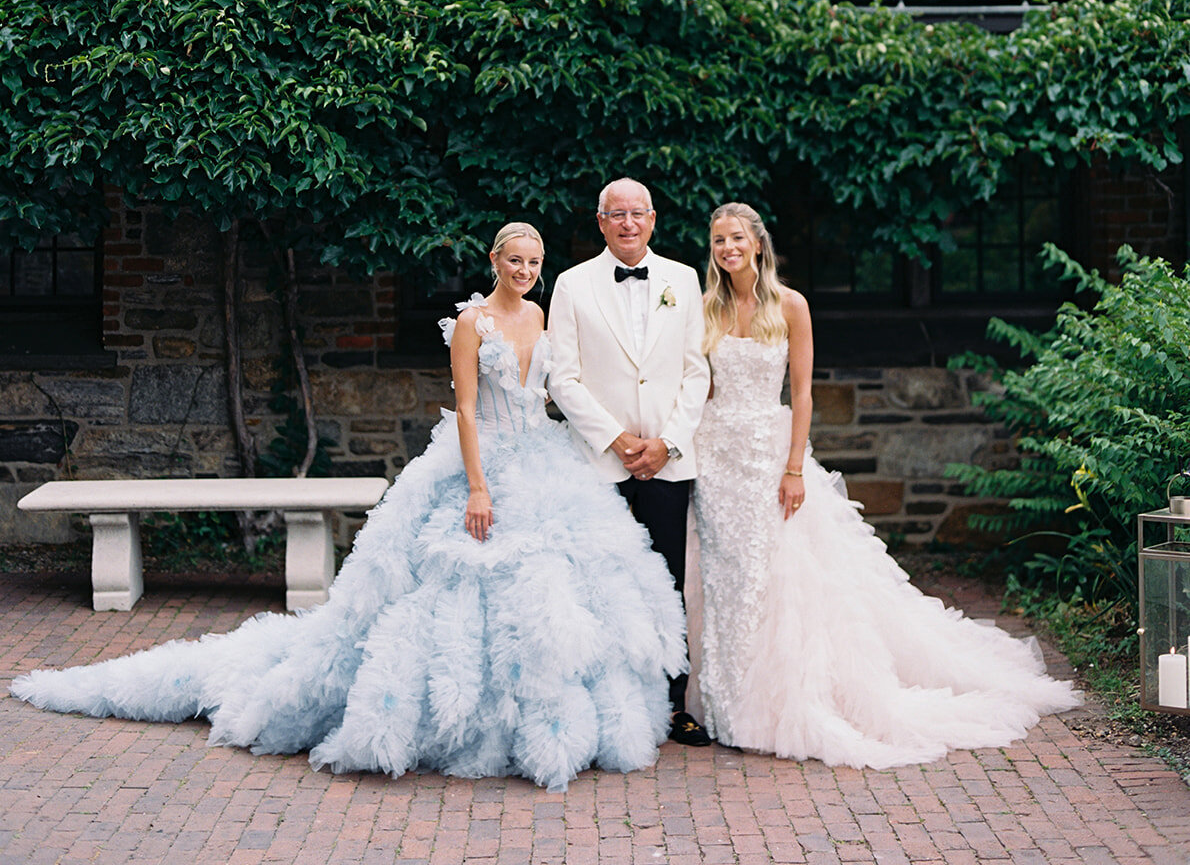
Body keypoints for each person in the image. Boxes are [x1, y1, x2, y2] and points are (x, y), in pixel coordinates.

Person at [11, 223, 686, 793]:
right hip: (486, 465)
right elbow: (469, 413)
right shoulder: (471, 325)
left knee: (562, 594)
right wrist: (478, 488)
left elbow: (552, 393)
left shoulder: (540, 316)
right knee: (448, 590)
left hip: (543, 466)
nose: (526, 272)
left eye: (535, 263)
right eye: (515, 261)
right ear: (494, 262)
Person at [689, 201, 1080, 767]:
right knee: (725, 579)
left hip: (769, 456)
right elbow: (698, 387)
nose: (727, 249)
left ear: (757, 243)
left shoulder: (790, 305)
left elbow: (801, 395)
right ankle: (725, 701)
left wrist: (794, 467)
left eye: (736, 239)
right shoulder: (704, 309)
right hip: (717, 459)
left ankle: (775, 702)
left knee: (778, 577)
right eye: (718, 241)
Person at [548, 177, 712, 746]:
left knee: (668, 583)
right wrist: (617, 440)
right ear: (600, 222)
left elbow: (696, 372)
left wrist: (666, 442)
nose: (627, 223)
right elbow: (562, 377)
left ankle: (674, 706)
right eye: (615, 214)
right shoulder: (570, 285)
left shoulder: (684, 280)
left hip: (667, 461)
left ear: (653, 218)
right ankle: (607, 709)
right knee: (601, 586)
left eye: (636, 213)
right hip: (601, 464)